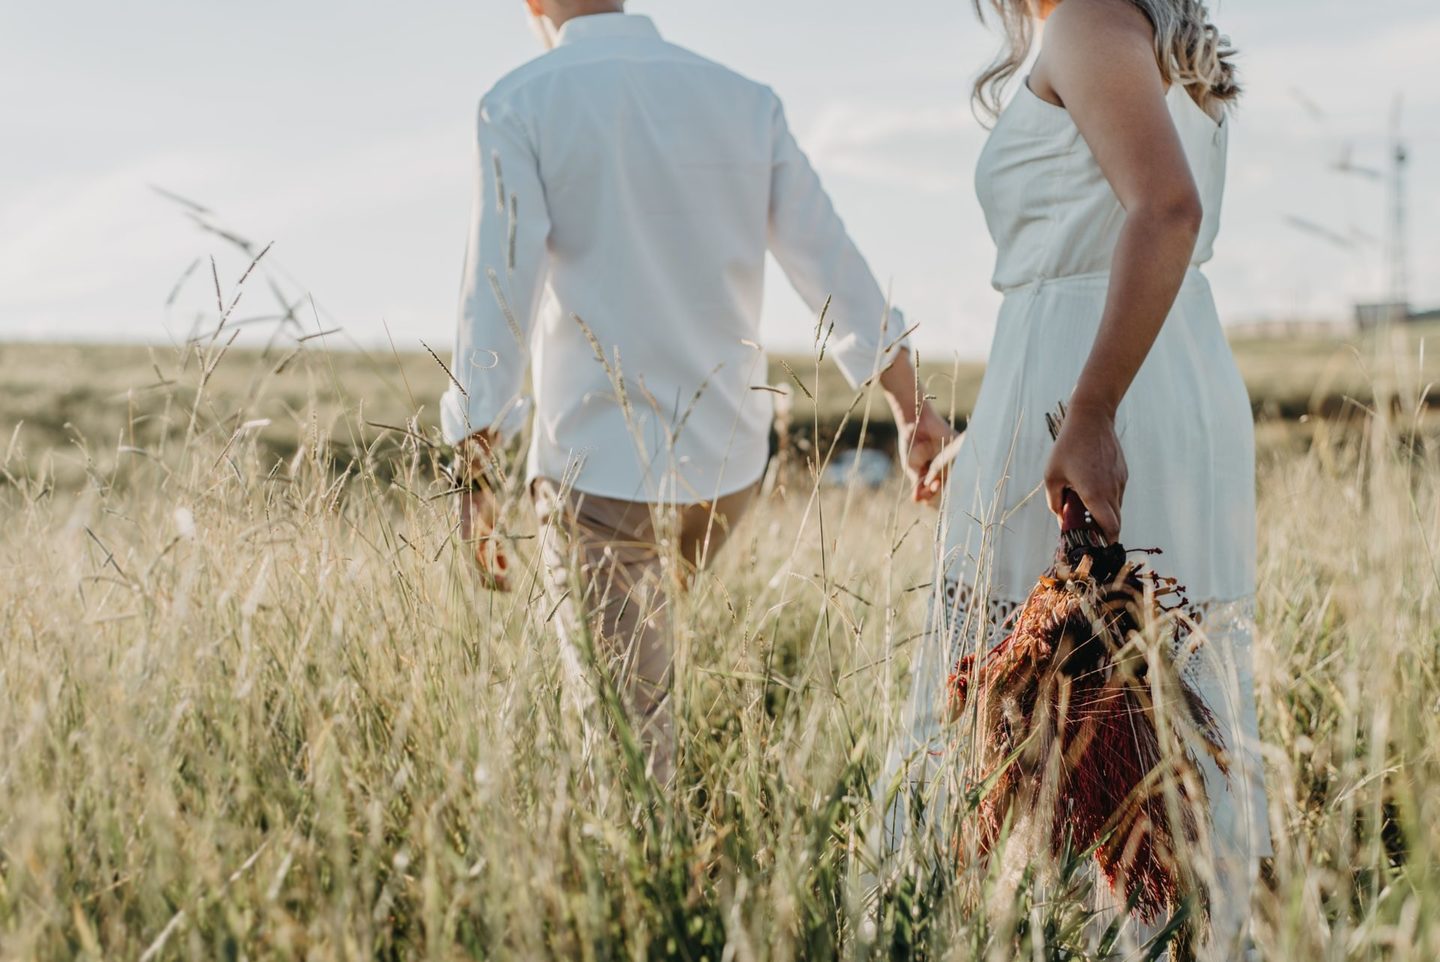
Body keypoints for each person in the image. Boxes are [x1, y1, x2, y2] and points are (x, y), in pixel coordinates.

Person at [443, 0, 954, 785]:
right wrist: (910, 404)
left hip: (598, 474)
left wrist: (473, 460)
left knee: (627, 746)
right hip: (726, 472)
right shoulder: (743, 100)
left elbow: (497, 293)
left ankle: (650, 891)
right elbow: (831, 260)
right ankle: (699, 834)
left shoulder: (518, 101)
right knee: (650, 671)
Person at [888, 0, 1270, 956]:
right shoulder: (1152, 35)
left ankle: (1023, 931)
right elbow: (1107, 236)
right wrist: (995, 439)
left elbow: (1163, 210)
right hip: (1162, 371)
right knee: (1147, 701)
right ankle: (1167, 929)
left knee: (1042, 703)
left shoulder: (1089, 20)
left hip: (1100, 382)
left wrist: (1090, 409)